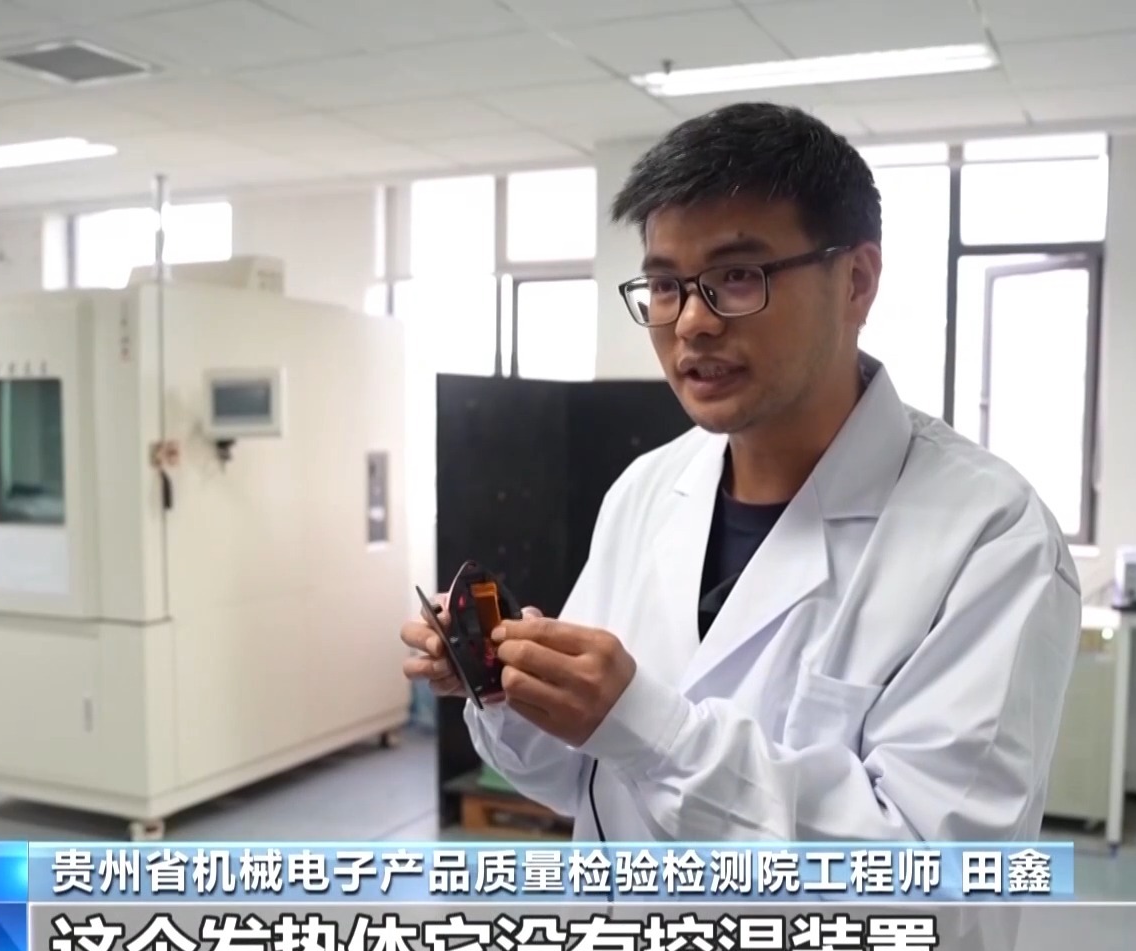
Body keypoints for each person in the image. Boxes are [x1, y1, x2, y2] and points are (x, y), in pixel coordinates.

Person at [400, 102, 1082, 846]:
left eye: (736, 276)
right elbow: (577, 778)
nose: (692, 322)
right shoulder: (645, 492)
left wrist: (646, 727)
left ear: (856, 281)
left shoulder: (991, 537)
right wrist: (510, 688)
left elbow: (933, 870)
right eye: (666, 285)